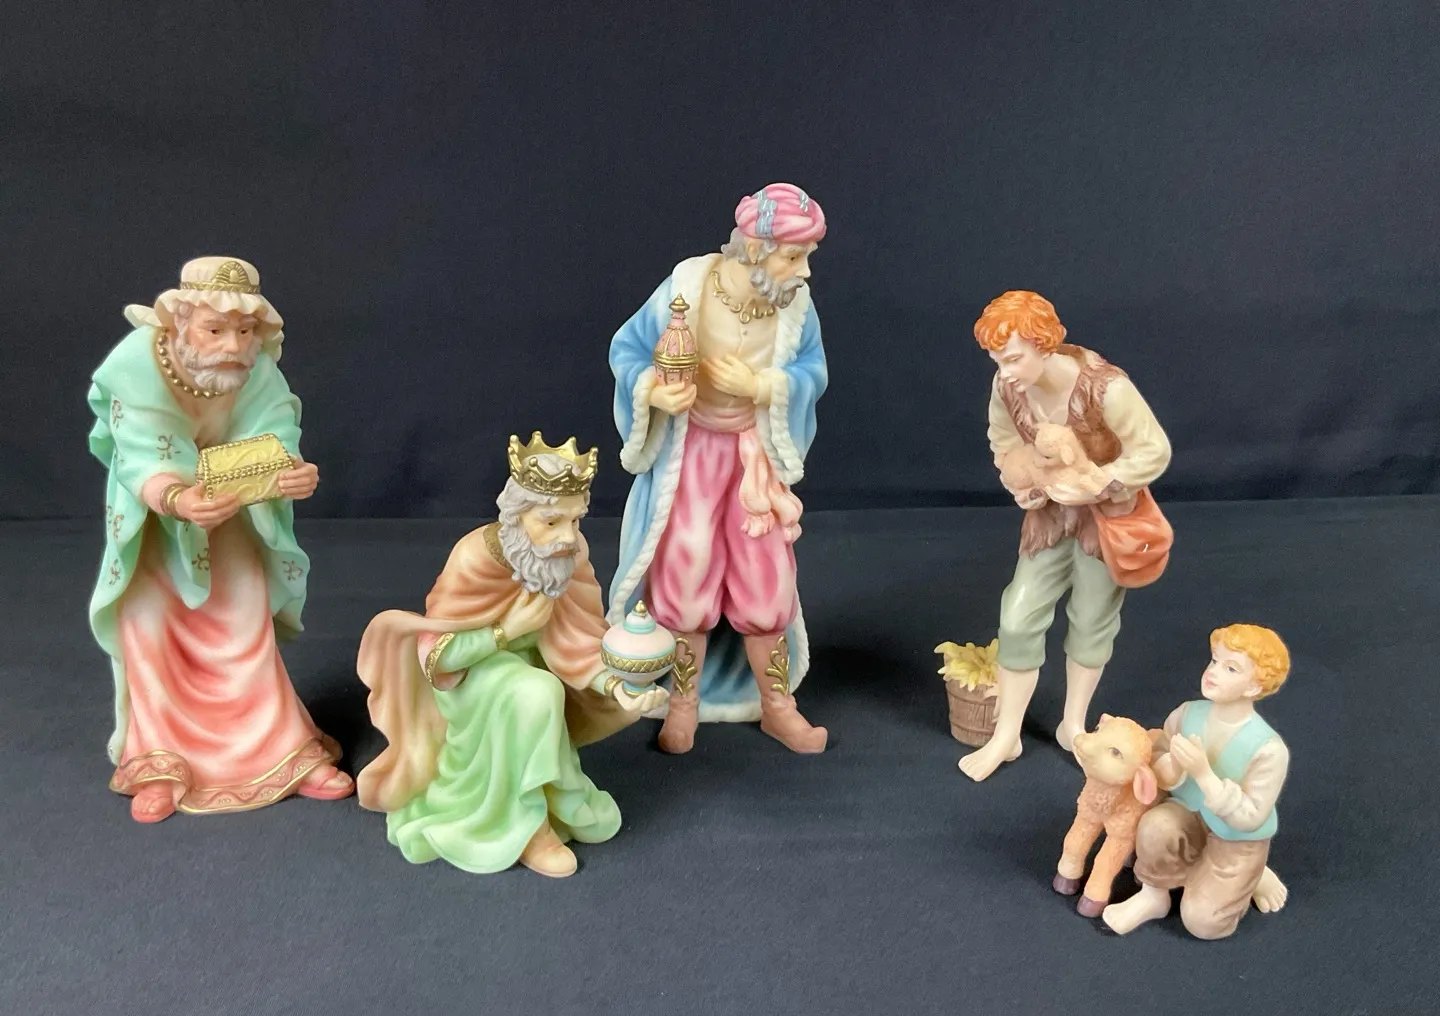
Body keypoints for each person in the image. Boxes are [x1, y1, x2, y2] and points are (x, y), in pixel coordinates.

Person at [87, 256, 352, 823]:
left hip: (229, 512)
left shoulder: (255, 368)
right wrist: (177, 499)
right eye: (215, 330)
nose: (234, 346)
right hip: (157, 521)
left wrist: (291, 472)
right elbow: (138, 450)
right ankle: (159, 765)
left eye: (246, 331)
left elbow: (275, 429)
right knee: (150, 628)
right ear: (181, 323)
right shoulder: (136, 365)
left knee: (242, 621)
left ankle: (284, 753)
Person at [356, 435, 668, 877]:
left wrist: (618, 686)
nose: (567, 538)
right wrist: (506, 632)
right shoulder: (475, 557)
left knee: (537, 687)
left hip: (533, 669)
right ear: (516, 517)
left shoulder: (567, 556)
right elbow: (439, 657)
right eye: (551, 522)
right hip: (471, 678)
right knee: (535, 692)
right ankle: (532, 830)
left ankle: (547, 802)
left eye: (576, 521)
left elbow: (578, 640)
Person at [608, 183, 829, 754]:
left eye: (806, 256)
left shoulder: (795, 308)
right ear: (755, 249)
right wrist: (654, 391)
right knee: (686, 571)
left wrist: (761, 385)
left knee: (766, 579)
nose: (804, 271)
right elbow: (627, 350)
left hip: (753, 463)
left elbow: (813, 371)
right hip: (692, 459)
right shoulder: (687, 287)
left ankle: (777, 705)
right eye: (793, 256)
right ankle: (683, 703)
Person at [959, 291, 1172, 781]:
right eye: (997, 359)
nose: (1005, 370)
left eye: (1014, 358)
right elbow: (1003, 441)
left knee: (1092, 619)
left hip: (1105, 524)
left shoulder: (1107, 388)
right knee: (1018, 616)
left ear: (1045, 345)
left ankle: (1072, 723)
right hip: (1049, 518)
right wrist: (1024, 476)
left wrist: (1099, 481)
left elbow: (1153, 451)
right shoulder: (1007, 386)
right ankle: (1006, 734)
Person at [1103, 624, 1292, 939]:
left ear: (1254, 686)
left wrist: (1204, 774)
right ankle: (1154, 896)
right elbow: (1158, 767)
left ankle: (1252, 872)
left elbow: (1250, 817)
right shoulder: (1187, 714)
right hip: (1188, 816)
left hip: (1235, 837)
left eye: (1231, 668)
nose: (1213, 672)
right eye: (1215, 660)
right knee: (1156, 825)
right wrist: (1174, 764)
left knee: (1204, 923)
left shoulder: (1268, 750)